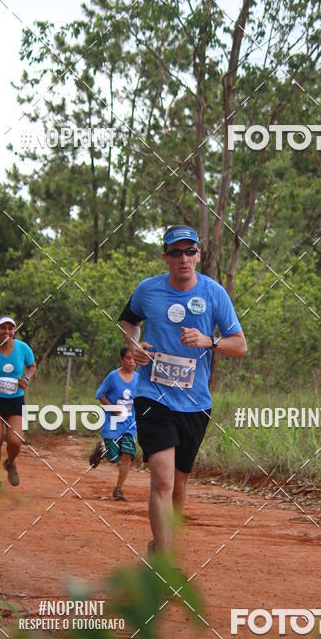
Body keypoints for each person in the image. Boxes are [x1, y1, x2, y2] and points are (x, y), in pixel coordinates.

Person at [118, 225, 247, 551]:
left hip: (195, 402)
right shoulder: (148, 290)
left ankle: (161, 544)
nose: (183, 258)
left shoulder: (214, 293)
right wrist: (134, 345)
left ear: (199, 255)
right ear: (165, 257)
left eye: (190, 251)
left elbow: (240, 345)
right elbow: (128, 320)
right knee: (162, 478)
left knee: (177, 485)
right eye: (176, 252)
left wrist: (209, 341)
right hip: (153, 396)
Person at [0, 316, 36, 487]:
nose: (7, 331)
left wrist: (26, 378)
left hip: (15, 400)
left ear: (14, 331)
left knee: (15, 442)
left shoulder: (23, 348)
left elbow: (32, 366)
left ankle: (10, 463)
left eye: (10, 328)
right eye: (3, 328)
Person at [89, 347, 139, 501]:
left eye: (134, 359)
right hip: (112, 423)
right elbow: (100, 395)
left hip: (130, 424)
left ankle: (119, 489)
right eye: (128, 358)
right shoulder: (113, 376)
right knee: (114, 458)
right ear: (122, 359)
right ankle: (102, 448)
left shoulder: (139, 378)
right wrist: (113, 408)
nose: (131, 362)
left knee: (127, 454)